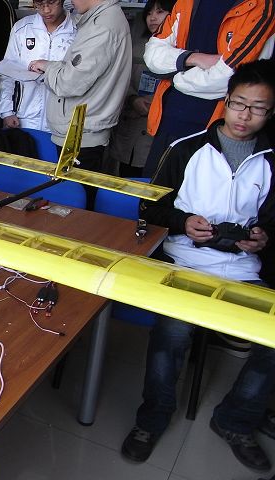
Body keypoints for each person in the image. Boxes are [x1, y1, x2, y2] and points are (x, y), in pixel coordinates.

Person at [121, 60, 275, 472]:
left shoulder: (271, 161)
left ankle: (235, 419)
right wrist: (183, 222)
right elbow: (150, 207)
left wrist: (263, 237)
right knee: (172, 333)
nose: (245, 115)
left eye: (258, 108)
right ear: (225, 101)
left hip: (243, 267)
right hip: (185, 259)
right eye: (239, 103)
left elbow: (273, 223)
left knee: (274, 337)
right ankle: (152, 418)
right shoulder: (186, 148)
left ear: (270, 113)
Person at [141, 0, 275, 177]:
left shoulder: (260, 6)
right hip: (167, 121)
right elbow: (152, 54)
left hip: (214, 129)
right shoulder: (185, 2)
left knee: (202, 192)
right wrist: (193, 57)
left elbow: (230, 77)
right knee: (155, 189)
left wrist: (173, 77)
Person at [29, 0, 132, 208]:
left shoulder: (103, 25)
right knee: (71, 199)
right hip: (80, 129)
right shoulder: (101, 19)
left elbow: (69, 83)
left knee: (74, 204)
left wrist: (48, 67)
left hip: (80, 135)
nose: (70, 1)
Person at [107, 0, 174, 177]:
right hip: (130, 127)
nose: (153, 18)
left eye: (159, 12)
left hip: (157, 132)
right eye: (149, 13)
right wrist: (132, 99)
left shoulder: (181, 51)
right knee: (124, 177)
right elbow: (118, 79)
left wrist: (157, 103)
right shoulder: (134, 47)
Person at [0, 0, 76, 132]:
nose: (46, 10)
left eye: (51, 2)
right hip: (24, 119)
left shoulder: (78, 30)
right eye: (39, 3)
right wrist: (6, 112)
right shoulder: (22, 29)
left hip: (63, 122)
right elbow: (7, 73)